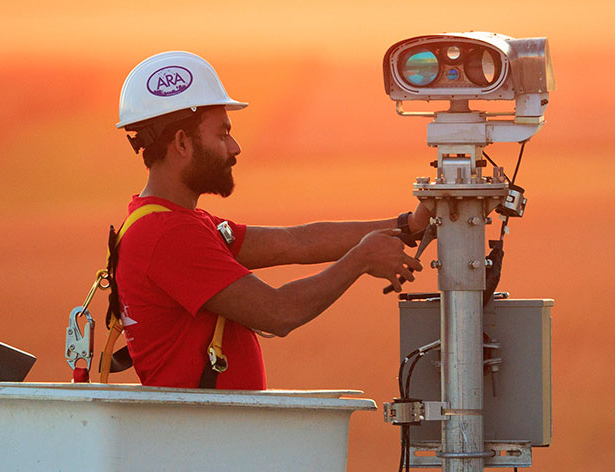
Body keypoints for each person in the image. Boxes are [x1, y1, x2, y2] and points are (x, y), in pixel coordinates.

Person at [111, 51, 428, 390]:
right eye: (221, 135)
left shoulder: (172, 222)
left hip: (210, 435)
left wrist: (409, 225)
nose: (235, 147)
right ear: (182, 142)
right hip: (207, 438)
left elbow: (295, 242)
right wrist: (361, 259)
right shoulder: (169, 235)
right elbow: (278, 312)